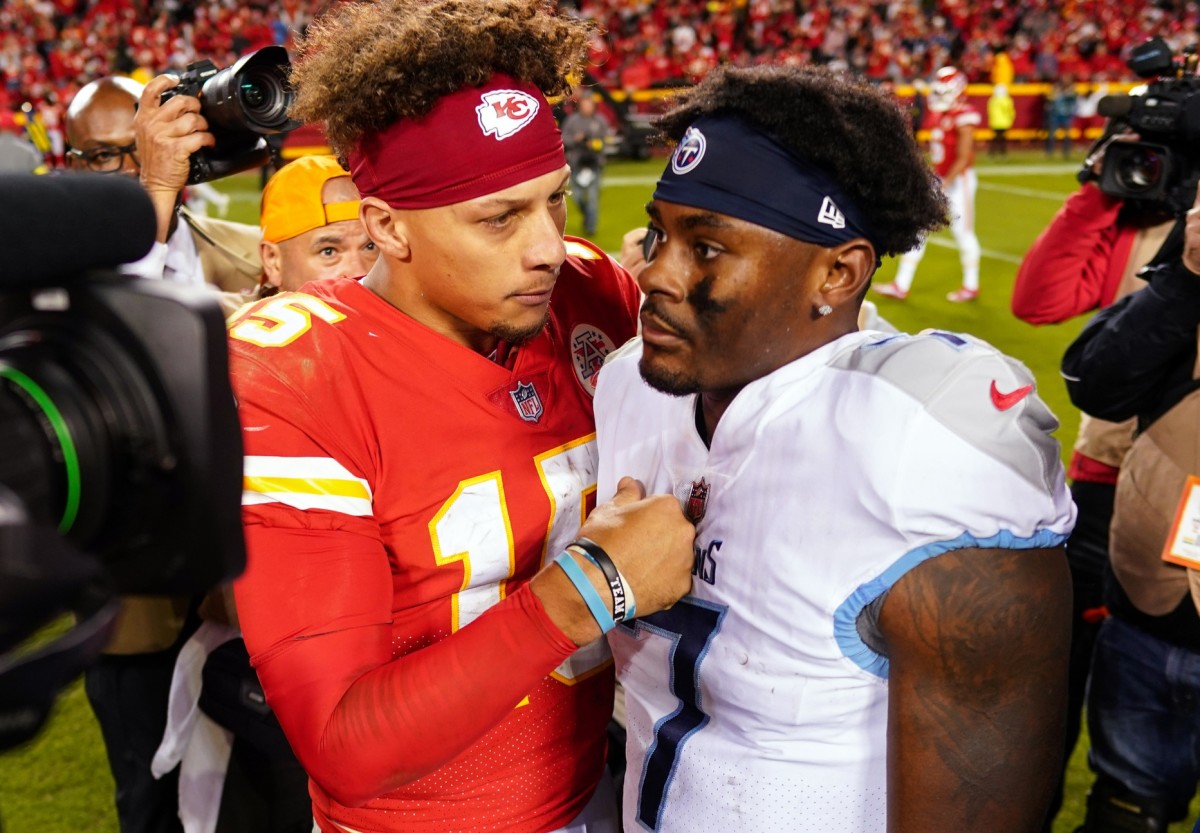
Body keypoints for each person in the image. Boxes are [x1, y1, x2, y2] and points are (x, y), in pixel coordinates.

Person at [225, 2, 696, 832]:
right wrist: (594, 587)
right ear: (387, 228)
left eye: (552, 201)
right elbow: (342, 742)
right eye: (499, 217)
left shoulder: (586, 288)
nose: (548, 244)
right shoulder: (295, 372)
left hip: (600, 782)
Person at [594, 63, 1076, 833]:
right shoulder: (629, 382)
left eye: (707, 246)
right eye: (660, 233)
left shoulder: (916, 442)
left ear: (837, 272)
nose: (654, 273)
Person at [64, 73, 263, 833]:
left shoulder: (247, 252)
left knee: (251, 787)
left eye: (145, 144)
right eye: (109, 154)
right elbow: (99, 348)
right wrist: (147, 188)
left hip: (250, 587)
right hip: (136, 606)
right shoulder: (49, 270)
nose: (141, 160)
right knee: (148, 797)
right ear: (71, 167)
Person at [1013, 124, 1172, 833]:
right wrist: (1101, 188)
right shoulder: (1144, 217)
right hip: (1107, 484)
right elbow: (1040, 299)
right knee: (1056, 692)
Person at [1061, 179, 1200, 831]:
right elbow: (1095, 380)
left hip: (1150, 618)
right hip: (1148, 620)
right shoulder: (1188, 288)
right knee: (1122, 811)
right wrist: (1185, 276)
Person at [64, 76, 261, 303]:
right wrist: (158, 188)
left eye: (146, 145)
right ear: (73, 168)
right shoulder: (55, 276)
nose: (130, 169)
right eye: (103, 155)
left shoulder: (262, 253)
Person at [874, 65, 983, 303]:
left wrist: (946, 184)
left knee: (962, 231)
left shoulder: (964, 115)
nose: (938, 92)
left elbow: (965, 157)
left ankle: (971, 285)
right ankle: (901, 285)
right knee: (919, 229)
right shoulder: (940, 113)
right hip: (941, 178)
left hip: (958, 181)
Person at [257, 153, 379, 295]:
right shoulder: (231, 316)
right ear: (273, 261)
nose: (360, 272)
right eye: (329, 251)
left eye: (371, 247)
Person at [560, 91, 614, 237]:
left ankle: (591, 227)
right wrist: (576, 139)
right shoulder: (572, 121)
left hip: (594, 163)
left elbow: (606, 141)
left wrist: (594, 144)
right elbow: (563, 139)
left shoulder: (601, 121)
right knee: (576, 197)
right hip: (576, 163)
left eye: (589, 105)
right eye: (584, 105)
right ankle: (587, 215)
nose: (587, 107)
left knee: (592, 197)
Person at [1045, 76, 1079, 159]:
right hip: (1056, 114)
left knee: (1067, 135)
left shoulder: (1072, 89)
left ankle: (1066, 152)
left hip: (1066, 114)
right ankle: (1049, 152)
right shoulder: (1056, 88)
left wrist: (1067, 92)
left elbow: (1074, 97)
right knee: (1052, 134)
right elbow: (1050, 98)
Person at [988, 82, 1015, 157]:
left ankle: (992, 153)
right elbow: (1010, 111)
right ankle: (1002, 152)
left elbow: (990, 111)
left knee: (995, 138)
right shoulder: (1007, 100)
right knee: (1002, 139)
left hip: (995, 122)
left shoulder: (992, 100)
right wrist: (1011, 119)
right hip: (1004, 122)